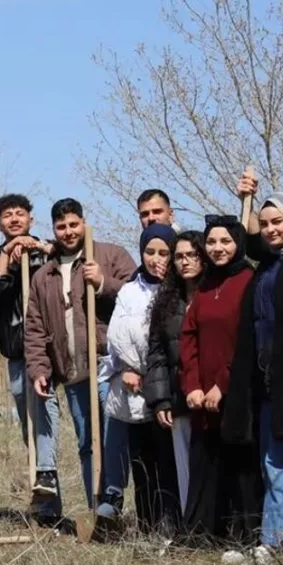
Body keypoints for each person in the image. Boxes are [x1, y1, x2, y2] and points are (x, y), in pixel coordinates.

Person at [222, 193, 283, 565]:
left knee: (281, 463)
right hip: (265, 381)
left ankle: (271, 541)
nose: (271, 229)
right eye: (264, 224)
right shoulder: (266, 265)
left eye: (277, 221)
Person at [24, 199, 137, 520]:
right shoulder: (44, 275)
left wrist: (102, 282)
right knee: (88, 443)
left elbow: (137, 296)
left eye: (74, 224)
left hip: (106, 366)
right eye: (61, 226)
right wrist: (38, 369)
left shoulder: (110, 255)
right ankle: (94, 509)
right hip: (71, 371)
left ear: (84, 223)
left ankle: (113, 502)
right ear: (54, 229)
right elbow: (34, 328)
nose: (68, 231)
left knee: (112, 440)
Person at [179, 216, 261, 562]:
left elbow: (249, 340)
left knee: (240, 465)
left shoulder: (249, 281)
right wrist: (193, 386)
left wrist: (222, 385)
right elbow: (189, 339)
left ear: (238, 243)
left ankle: (244, 536)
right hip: (202, 397)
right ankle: (203, 533)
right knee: (206, 464)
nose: (218, 248)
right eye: (211, 242)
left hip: (238, 391)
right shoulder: (203, 287)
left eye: (225, 241)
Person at [0, 194, 56, 501]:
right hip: (16, 351)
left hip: (48, 350)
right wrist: (7, 260)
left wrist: (42, 248)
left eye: (19, 214)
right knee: (30, 427)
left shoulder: (46, 250)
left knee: (47, 417)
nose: (14, 219)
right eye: (7, 215)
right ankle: (45, 501)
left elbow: (66, 263)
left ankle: (51, 484)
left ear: (30, 220)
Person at [106, 224, 180, 538]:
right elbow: (116, 337)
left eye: (164, 253)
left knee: (170, 461)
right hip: (135, 390)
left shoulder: (181, 289)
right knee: (142, 463)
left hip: (171, 387)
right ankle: (148, 524)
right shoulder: (129, 291)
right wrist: (125, 368)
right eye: (150, 252)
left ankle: (174, 522)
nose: (156, 259)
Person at [144, 231, 207, 517]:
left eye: (192, 255)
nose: (185, 262)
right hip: (178, 395)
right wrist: (160, 400)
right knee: (184, 466)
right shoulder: (166, 301)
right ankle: (191, 525)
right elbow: (156, 352)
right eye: (179, 256)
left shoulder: (216, 294)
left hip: (213, 395)